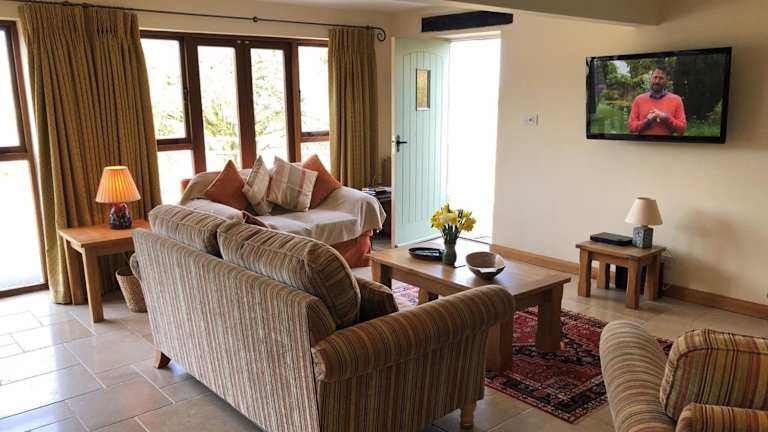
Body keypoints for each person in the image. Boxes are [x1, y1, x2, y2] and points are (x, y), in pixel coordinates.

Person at [628, 65, 687, 135]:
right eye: (655, 77)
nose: (657, 81)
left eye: (661, 78)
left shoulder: (676, 100)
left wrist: (666, 118)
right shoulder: (639, 100)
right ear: (651, 78)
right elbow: (631, 127)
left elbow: (682, 129)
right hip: (644, 142)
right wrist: (647, 121)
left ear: (667, 80)